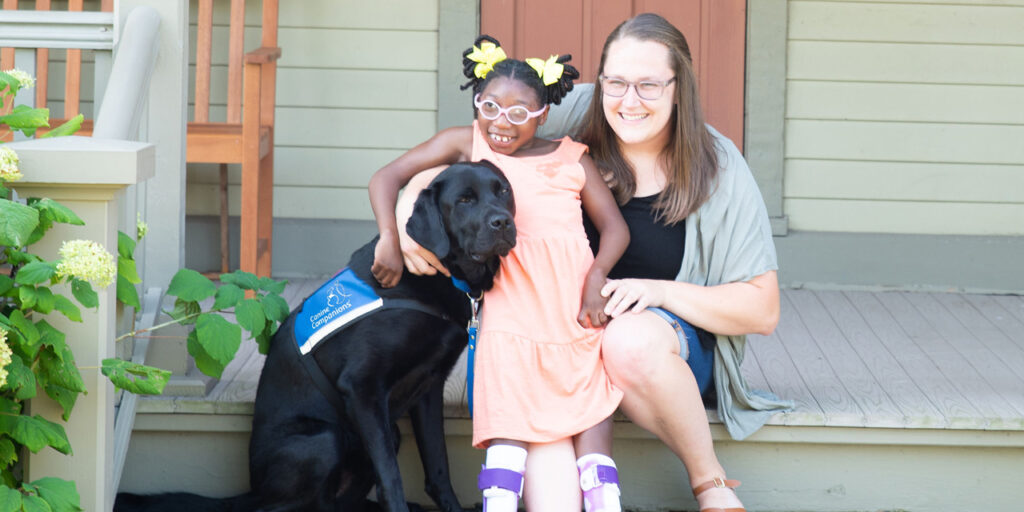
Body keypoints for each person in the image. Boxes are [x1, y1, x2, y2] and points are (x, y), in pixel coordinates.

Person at [397, 14, 794, 512]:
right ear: (600, 81)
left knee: (626, 339)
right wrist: (404, 201)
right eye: (617, 82)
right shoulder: (573, 111)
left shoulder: (720, 164)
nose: (630, 101)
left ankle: (710, 485)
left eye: (649, 85)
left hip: (661, 347)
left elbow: (763, 310)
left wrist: (658, 292)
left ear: (679, 88)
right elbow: (471, 148)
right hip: (557, 347)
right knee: (558, 495)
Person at [368, 36, 631, 512]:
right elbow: (386, 177)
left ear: (542, 115)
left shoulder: (572, 158)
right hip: (510, 318)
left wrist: (597, 279)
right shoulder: (465, 143)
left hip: (574, 314)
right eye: (489, 105)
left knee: (594, 431)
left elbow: (614, 228)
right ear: (477, 102)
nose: (499, 122)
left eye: (518, 112)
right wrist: (390, 236)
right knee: (507, 445)